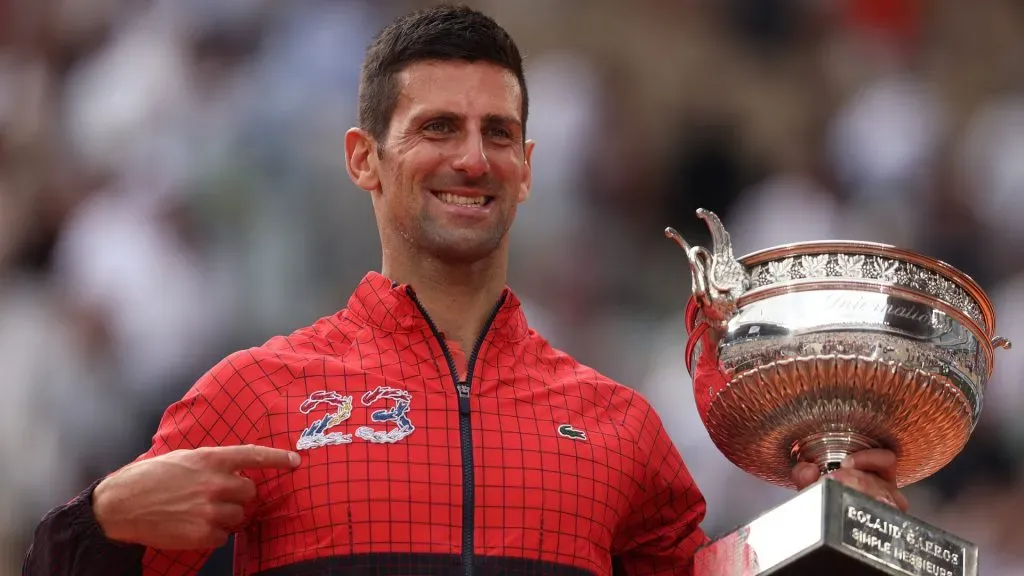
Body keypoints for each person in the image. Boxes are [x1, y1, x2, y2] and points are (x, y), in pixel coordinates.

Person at [23, 6, 908, 575]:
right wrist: (100, 519)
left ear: (527, 169)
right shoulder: (258, 394)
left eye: (500, 134)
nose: (472, 158)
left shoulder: (621, 428)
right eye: (437, 127)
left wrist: (832, 535)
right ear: (363, 159)